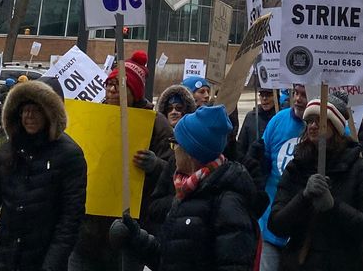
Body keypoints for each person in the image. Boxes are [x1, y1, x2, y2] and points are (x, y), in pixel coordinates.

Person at [109, 105, 259, 270]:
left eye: (175, 144)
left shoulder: (228, 204)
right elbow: (170, 260)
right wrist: (137, 238)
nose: (173, 151)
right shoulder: (187, 191)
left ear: (191, 152)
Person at [71, 51, 173, 271]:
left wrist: (156, 166)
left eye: (120, 85)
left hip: (128, 232)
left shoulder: (156, 124)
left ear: (134, 92)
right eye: (109, 84)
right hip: (87, 231)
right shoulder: (90, 118)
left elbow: (174, 175)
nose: (112, 90)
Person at [0, 80, 87, 270]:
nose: (29, 116)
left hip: (41, 261)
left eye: (37, 109)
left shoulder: (70, 155)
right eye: (25, 109)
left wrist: (51, 265)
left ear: (51, 113)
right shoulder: (9, 149)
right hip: (1, 260)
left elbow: (70, 221)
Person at [268, 99, 363, 270]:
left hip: (345, 263)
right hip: (300, 263)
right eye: (309, 121)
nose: (313, 126)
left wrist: (334, 207)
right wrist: (303, 197)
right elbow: (276, 224)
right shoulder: (297, 167)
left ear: (335, 127)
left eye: (320, 121)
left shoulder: (359, 169)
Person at [255, 84, 308, 271]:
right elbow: (264, 167)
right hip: (271, 224)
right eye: (296, 93)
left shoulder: (329, 128)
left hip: (306, 233)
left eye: (304, 94)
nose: (298, 99)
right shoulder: (278, 121)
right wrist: (256, 159)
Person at [237, 88, 277, 161]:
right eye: (262, 95)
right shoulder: (251, 116)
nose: (264, 98)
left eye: (268, 95)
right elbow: (241, 146)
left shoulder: (281, 118)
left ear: (276, 97)